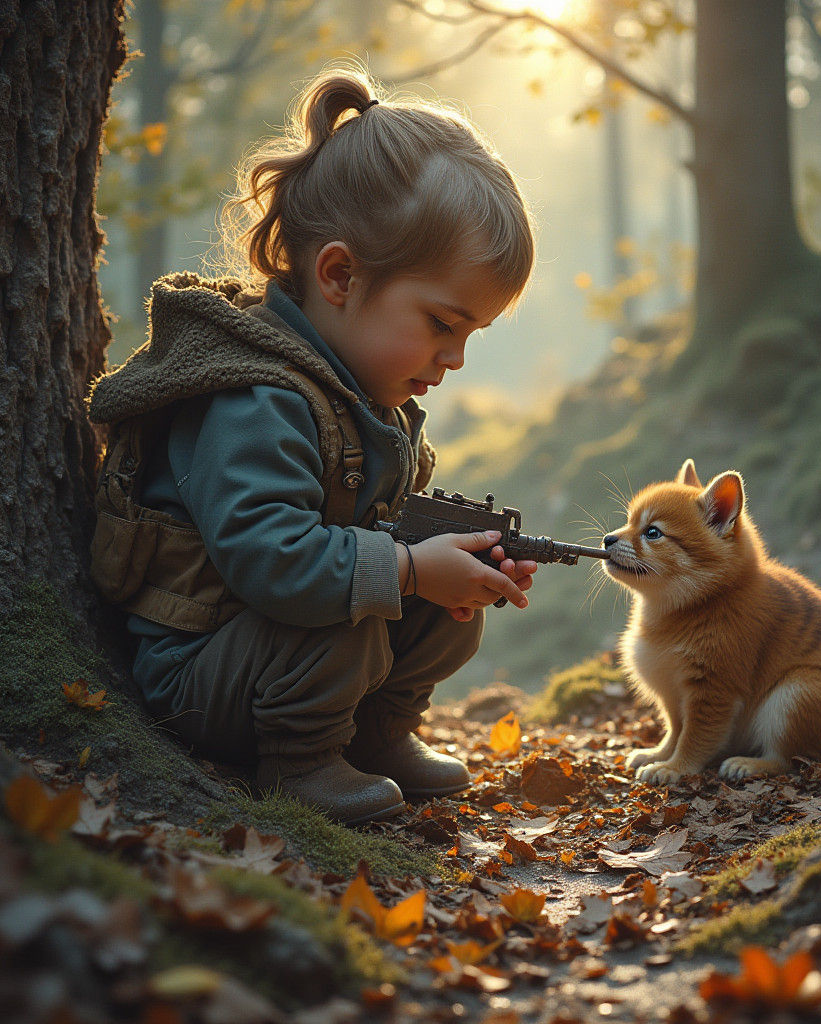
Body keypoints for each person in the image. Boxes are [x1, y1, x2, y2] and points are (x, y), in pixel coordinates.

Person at [87, 67, 537, 824]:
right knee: (355, 615)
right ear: (339, 275)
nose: (455, 358)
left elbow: (369, 536)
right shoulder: (256, 399)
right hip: (204, 666)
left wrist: (457, 562)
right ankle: (301, 762)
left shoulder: (360, 394)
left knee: (442, 613)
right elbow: (271, 559)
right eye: (441, 324)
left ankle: (376, 734)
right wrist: (406, 569)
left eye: (471, 335)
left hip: (281, 645)